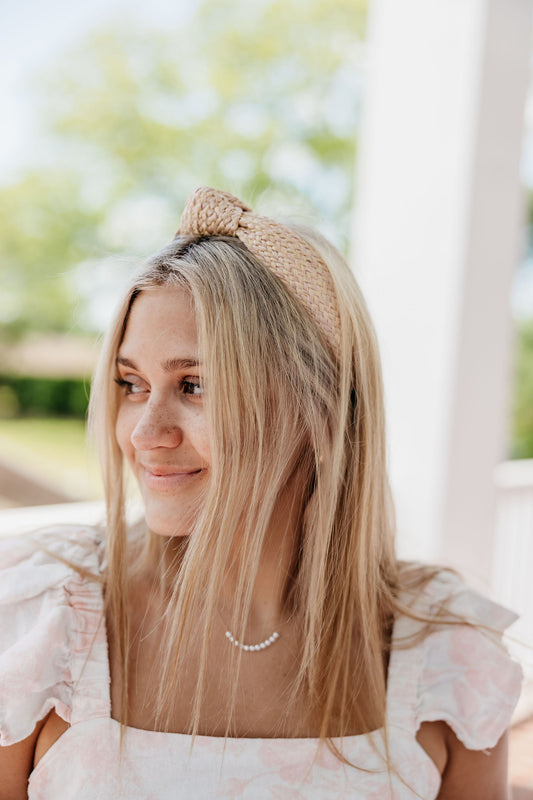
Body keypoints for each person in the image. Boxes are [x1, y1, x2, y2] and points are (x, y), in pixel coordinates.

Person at [0, 187, 522, 799]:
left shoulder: (444, 653)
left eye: (194, 384)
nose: (144, 433)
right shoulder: (42, 619)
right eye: (132, 383)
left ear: (319, 409)